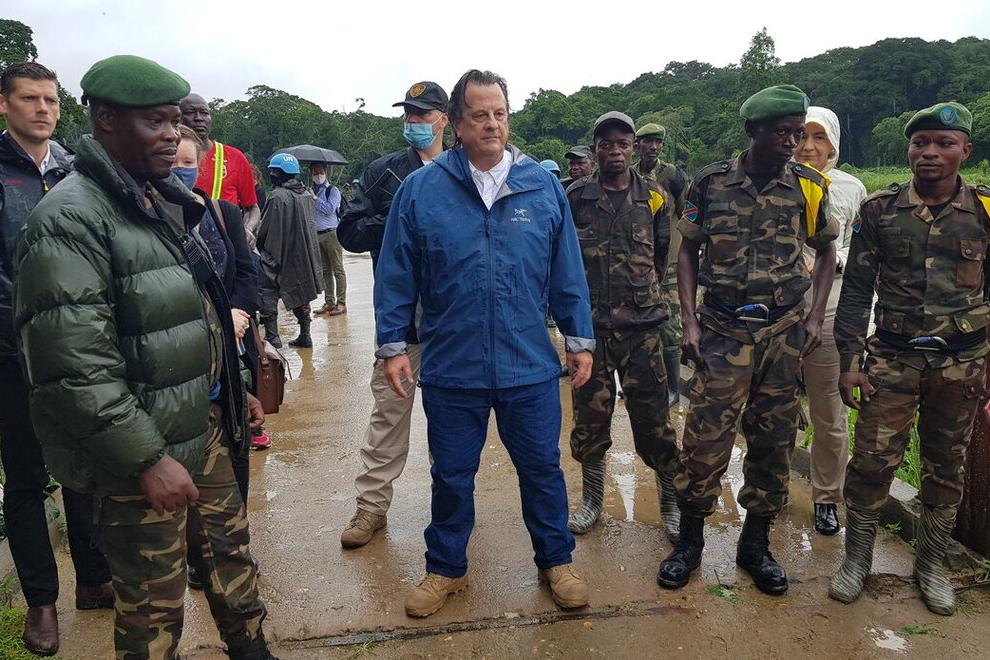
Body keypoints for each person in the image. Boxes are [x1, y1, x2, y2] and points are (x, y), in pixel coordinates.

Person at [15, 54, 273, 660]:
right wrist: (147, 459)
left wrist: (230, 386)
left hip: (202, 426)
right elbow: (74, 369)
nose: (172, 136)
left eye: (175, 122)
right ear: (106, 120)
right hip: (139, 454)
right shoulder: (71, 219)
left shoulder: (156, 199)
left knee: (233, 568)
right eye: (155, 122)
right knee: (153, 609)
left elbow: (190, 313)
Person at [375, 69, 595, 617]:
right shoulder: (422, 190)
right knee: (451, 475)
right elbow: (397, 273)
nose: (492, 124)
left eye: (499, 113)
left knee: (542, 469)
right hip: (453, 364)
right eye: (479, 115)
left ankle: (556, 561)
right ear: (456, 122)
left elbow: (567, 270)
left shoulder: (540, 186)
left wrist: (579, 339)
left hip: (528, 363)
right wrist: (393, 345)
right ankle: (445, 568)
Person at [656, 85, 838, 595]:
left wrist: (813, 317)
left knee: (773, 442)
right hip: (722, 331)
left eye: (797, 133)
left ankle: (755, 545)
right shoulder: (711, 184)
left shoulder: (808, 187)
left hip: (782, 335)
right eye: (781, 132)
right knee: (704, 441)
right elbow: (687, 252)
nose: (792, 142)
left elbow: (827, 251)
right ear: (751, 131)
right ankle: (690, 543)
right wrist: (689, 320)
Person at [830, 102, 989, 616]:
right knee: (871, 463)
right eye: (920, 143)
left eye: (944, 143)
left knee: (946, 466)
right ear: (909, 150)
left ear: (966, 151)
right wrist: (849, 361)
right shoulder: (879, 210)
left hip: (961, 364)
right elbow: (857, 290)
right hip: (893, 361)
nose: (930, 153)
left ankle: (933, 564)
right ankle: (857, 559)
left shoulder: (984, 211)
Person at [0, 61, 113, 657]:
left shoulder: (77, 170)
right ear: (4, 104)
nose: (43, 109)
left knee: (84, 466)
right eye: (29, 98)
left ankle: (93, 577)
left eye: (50, 99)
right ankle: (41, 599)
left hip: (79, 350)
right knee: (25, 477)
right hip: (12, 352)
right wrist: (27, 324)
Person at [335, 81, 449, 549]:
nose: (413, 122)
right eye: (408, 115)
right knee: (388, 415)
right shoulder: (384, 173)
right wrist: (401, 216)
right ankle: (371, 507)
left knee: (452, 423)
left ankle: (452, 507)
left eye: (422, 115)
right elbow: (349, 232)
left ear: (444, 119)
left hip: (451, 322)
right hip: (400, 323)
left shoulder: (465, 170)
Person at [565, 111, 680, 542]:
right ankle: (593, 499)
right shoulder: (575, 196)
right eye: (606, 144)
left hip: (642, 329)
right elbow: (563, 258)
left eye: (622, 144)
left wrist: (640, 295)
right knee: (590, 419)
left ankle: (670, 502)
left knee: (654, 420)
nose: (614, 151)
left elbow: (661, 256)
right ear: (595, 150)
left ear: (633, 149)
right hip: (591, 332)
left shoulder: (654, 196)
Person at [794, 106, 867, 536]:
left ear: (833, 144)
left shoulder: (851, 188)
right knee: (770, 404)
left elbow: (859, 247)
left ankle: (826, 496)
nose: (808, 146)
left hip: (831, 302)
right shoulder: (773, 181)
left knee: (828, 408)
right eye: (802, 135)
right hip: (777, 303)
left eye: (819, 137)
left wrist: (833, 257)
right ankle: (767, 485)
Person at [633, 123, 690, 406]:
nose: (653, 147)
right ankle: (646, 383)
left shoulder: (673, 176)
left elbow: (688, 215)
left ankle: (673, 389)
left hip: (670, 262)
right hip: (639, 261)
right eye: (648, 141)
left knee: (669, 325)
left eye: (658, 142)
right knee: (642, 325)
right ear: (637, 145)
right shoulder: (630, 175)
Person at [256, 152, 323, 348]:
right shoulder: (307, 195)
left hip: (280, 254)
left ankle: (272, 337)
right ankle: (305, 334)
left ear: (280, 173)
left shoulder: (278, 196)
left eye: (273, 172)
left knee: (268, 291)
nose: (270, 175)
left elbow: (266, 229)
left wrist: (261, 247)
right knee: (302, 292)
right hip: (303, 256)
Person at [179, 93, 261, 239]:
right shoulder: (167, 156)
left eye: (204, 113)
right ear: (177, 118)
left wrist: (247, 229)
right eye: (190, 112)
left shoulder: (235, 157)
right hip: (181, 239)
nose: (199, 118)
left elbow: (252, 208)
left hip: (226, 242)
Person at [311, 163, 347, 316]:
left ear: (325, 172)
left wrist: (315, 199)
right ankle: (329, 301)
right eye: (315, 172)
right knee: (325, 271)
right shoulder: (312, 191)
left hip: (332, 233)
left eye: (320, 171)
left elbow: (329, 209)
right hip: (317, 234)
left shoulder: (333, 190)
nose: (318, 174)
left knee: (338, 269)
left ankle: (341, 303)